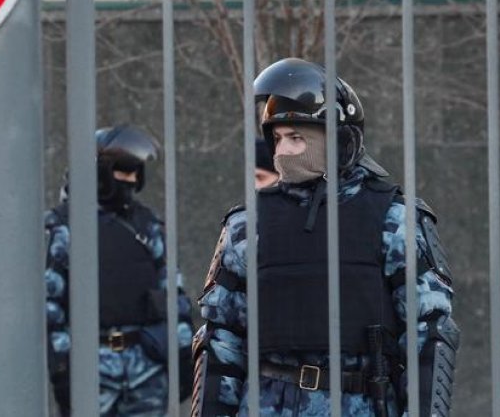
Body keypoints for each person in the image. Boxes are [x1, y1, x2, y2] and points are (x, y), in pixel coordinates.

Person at [191, 58, 459, 417]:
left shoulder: (394, 219)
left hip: (358, 401)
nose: (283, 151)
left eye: (297, 138)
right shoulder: (246, 224)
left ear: (336, 139)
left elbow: (429, 334)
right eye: (279, 138)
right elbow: (221, 340)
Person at [46, 125, 195, 416]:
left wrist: (183, 353)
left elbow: (172, 296)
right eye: (122, 171)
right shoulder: (64, 226)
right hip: (90, 371)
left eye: (135, 173)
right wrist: (62, 368)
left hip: (145, 369)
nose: (130, 180)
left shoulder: (147, 225)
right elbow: (51, 306)